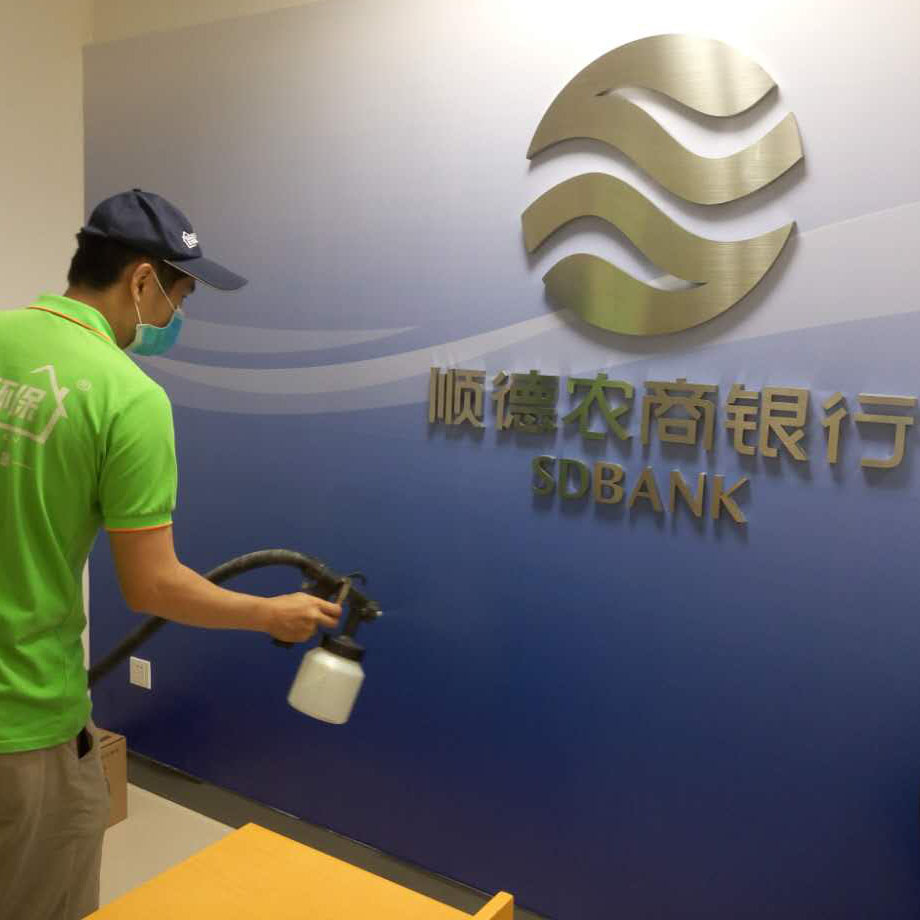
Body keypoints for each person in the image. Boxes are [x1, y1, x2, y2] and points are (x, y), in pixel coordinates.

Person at [0, 189, 341, 919]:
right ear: (141, 280)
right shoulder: (129, 397)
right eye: (180, 296)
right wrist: (268, 614)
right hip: (23, 722)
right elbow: (152, 587)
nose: (175, 316)